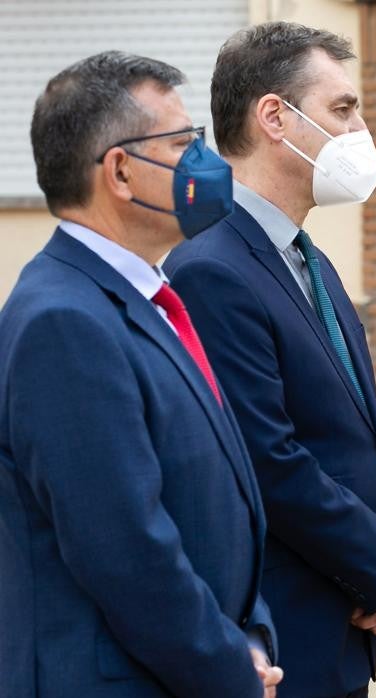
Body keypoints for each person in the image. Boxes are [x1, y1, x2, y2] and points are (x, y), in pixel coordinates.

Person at [163, 22, 376, 697]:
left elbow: (375, 424)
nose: (360, 129)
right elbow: (268, 459)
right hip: (288, 631)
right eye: (343, 109)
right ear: (275, 118)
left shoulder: (312, 262)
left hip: (349, 618)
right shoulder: (211, 268)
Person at [0, 51, 280, 697]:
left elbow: (222, 498)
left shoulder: (148, 300)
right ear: (121, 171)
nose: (207, 166)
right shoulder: (63, 323)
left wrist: (253, 634)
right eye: (184, 144)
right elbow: (125, 551)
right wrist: (228, 668)